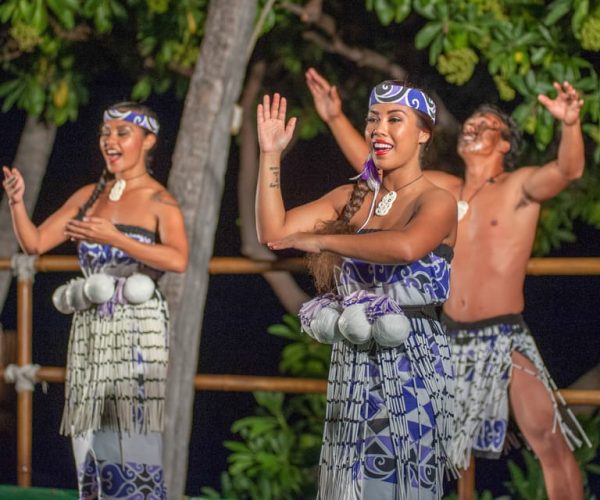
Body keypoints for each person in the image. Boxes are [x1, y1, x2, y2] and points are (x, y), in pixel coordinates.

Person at [305, 66, 589, 499]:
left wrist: (570, 125)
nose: (472, 127)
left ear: (505, 144)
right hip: (444, 334)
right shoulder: (441, 189)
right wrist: (334, 117)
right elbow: (375, 168)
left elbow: (566, 171)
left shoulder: (518, 188)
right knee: (443, 449)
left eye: (486, 126)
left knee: (544, 433)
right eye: (470, 123)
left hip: (501, 335)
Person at [256, 83, 457, 499]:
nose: (378, 129)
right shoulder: (351, 197)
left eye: (394, 119)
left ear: (424, 134)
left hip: (411, 364)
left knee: (399, 484)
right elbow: (273, 232)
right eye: (372, 119)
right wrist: (270, 154)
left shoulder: (437, 201)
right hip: (354, 361)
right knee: (350, 485)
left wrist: (324, 240)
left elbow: (404, 248)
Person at [3, 102, 188, 499]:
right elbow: (34, 242)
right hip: (90, 330)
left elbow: (178, 258)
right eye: (106, 133)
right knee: (88, 438)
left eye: (123, 133)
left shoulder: (159, 201)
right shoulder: (89, 196)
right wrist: (17, 202)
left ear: (148, 141)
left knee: (127, 435)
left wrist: (116, 238)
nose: (111, 141)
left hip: (137, 332)